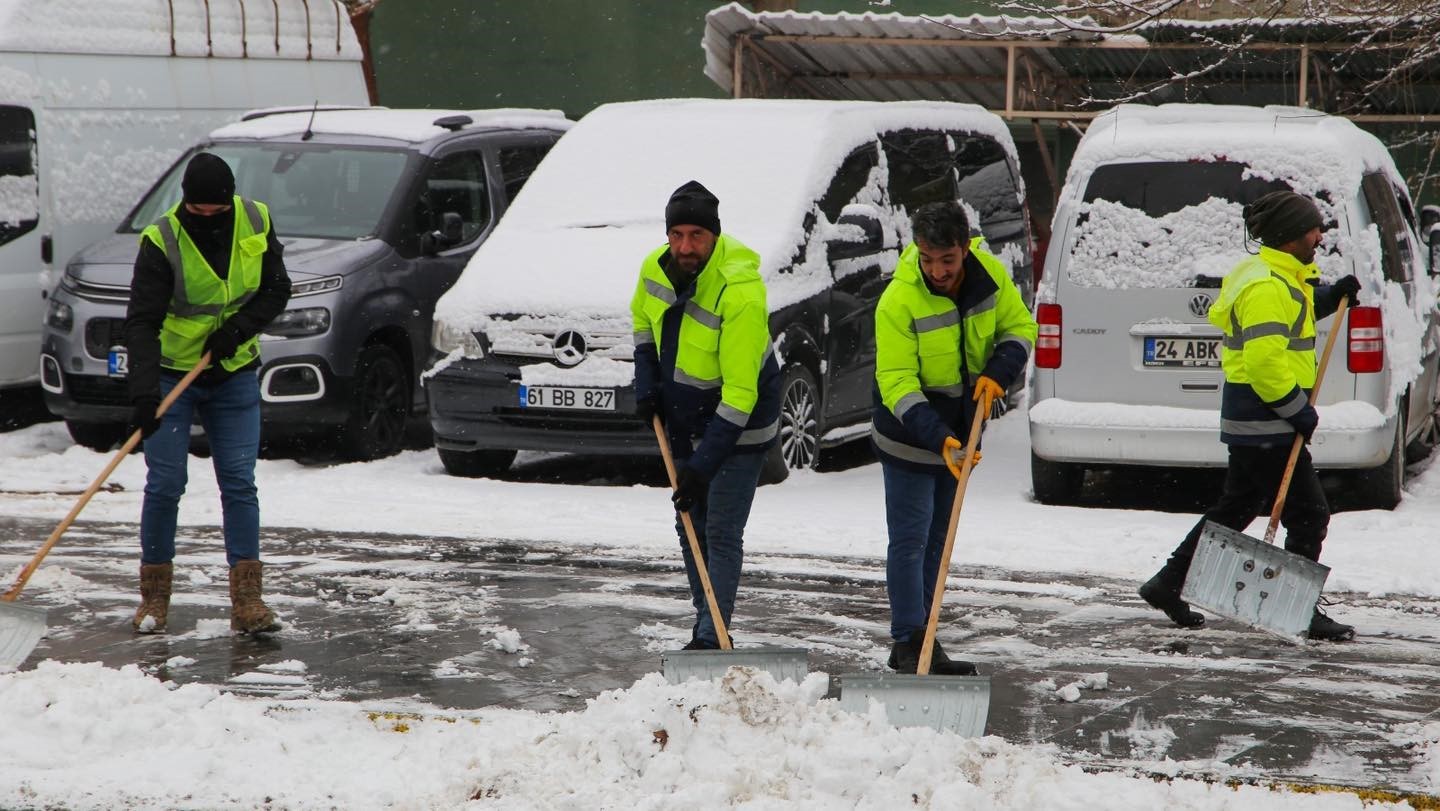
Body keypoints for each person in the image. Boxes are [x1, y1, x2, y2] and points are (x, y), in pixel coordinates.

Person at [1138, 190, 1361, 642]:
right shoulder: (1266, 287)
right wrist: (1297, 410)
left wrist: (1331, 296)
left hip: (1258, 418)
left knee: (1238, 505)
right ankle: (1299, 609)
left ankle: (1168, 583)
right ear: (1289, 236)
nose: (1319, 237)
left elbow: (1293, 313)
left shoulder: (1275, 277)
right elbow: (1263, 362)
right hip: (1267, 419)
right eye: (1312, 230)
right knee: (1309, 513)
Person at [123, 152, 292, 635]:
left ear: (230, 200)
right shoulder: (162, 239)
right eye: (198, 211)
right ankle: (154, 599)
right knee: (165, 483)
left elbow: (276, 289)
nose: (208, 218)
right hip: (172, 376)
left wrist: (236, 330)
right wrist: (143, 395)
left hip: (233, 372)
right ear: (185, 202)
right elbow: (142, 322)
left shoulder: (255, 219)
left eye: (217, 211)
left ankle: (248, 602)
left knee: (238, 481)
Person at [872, 201, 1037, 673]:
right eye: (927, 259)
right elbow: (896, 381)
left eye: (947, 259)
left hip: (964, 427)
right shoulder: (899, 300)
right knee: (911, 539)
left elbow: (1020, 326)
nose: (937, 271)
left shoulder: (989, 276)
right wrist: (938, 436)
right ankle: (910, 640)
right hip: (909, 430)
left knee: (938, 540)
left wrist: (998, 372)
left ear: (965, 248)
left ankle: (921, 637)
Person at [631, 180, 781, 650]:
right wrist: (647, 383)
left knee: (720, 529)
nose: (685, 247)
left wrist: (702, 467)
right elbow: (642, 321)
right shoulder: (655, 268)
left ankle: (710, 635)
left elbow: (740, 394)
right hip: (684, 414)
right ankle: (708, 622)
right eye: (677, 235)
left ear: (714, 235)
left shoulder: (739, 292)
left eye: (697, 235)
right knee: (690, 525)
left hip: (742, 420)